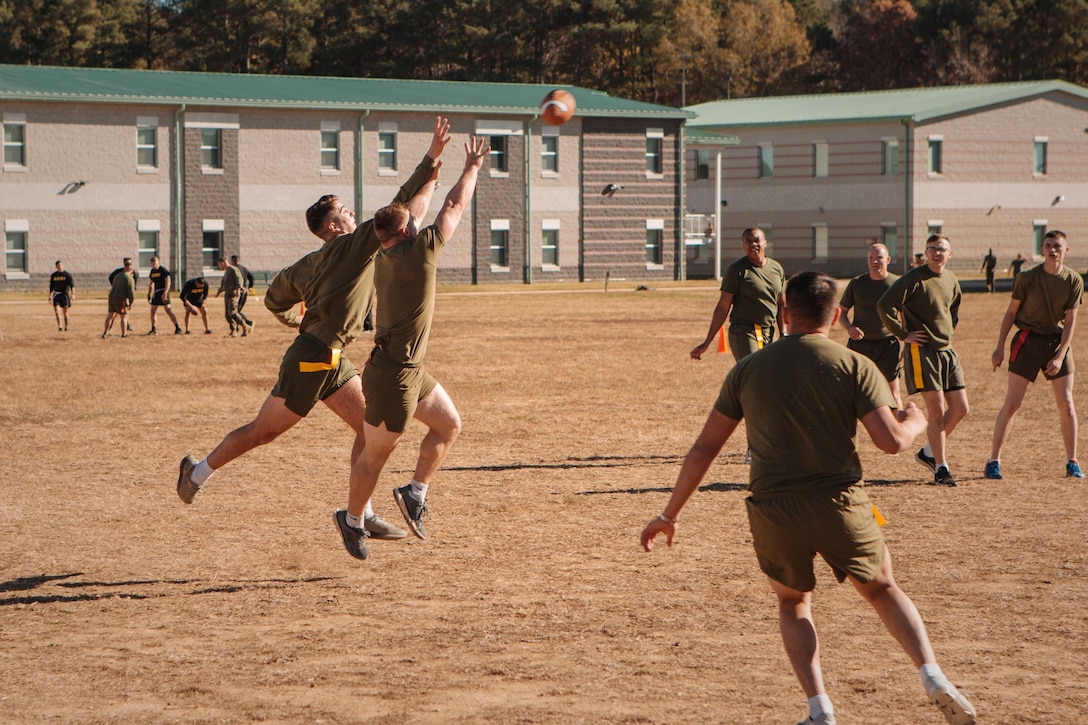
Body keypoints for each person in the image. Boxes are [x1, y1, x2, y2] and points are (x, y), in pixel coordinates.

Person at [641, 272, 977, 725]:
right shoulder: (854, 364)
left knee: (793, 603)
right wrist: (915, 420)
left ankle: (820, 710)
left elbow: (705, 447)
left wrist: (669, 513)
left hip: (774, 509)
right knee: (882, 588)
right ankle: (933, 675)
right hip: (841, 502)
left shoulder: (747, 368)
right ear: (837, 316)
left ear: (783, 311)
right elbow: (892, 442)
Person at [175, 116, 454, 551]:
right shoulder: (353, 245)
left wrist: (300, 321)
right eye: (345, 212)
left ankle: (358, 514)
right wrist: (432, 158)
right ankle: (197, 472)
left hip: (332, 356)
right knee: (263, 432)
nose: (353, 215)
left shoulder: (309, 262)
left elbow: (272, 300)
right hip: (311, 357)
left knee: (367, 432)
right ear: (334, 227)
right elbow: (403, 205)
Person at [336, 134, 489, 560]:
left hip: (406, 368)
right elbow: (452, 209)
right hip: (392, 375)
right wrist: (471, 167)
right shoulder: (421, 252)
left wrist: (432, 169)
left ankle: (414, 492)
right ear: (407, 232)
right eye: (411, 223)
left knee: (449, 425)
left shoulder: (383, 251)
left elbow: (415, 210)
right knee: (375, 454)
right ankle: (350, 520)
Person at [986, 230, 1083, 479]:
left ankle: (1072, 461)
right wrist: (999, 346)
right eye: (1048, 245)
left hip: (1056, 341)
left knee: (1067, 404)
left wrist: (1061, 355)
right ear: (1042, 250)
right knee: (1013, 403)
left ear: (1066, 250)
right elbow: (1010, 313)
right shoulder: (1027, 277)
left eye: (1057, 246)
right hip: (1027, 340)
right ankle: (994, 460)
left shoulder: (1073, 280)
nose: (1052, 250)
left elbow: (1071, 321)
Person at [690, 226, 787, 464]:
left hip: (767, 333)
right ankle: (754, 447)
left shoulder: (776, 268)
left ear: (765, 242)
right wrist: (708, 340)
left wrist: (785, 333)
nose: (752, 245)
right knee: (756, 385)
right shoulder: (737, 271)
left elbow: (781, 304)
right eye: (746, 241)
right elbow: (723, 306)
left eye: (756, 240)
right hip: (743, 332)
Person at [878, 234, 968, 486]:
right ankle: (941, 468)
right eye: (932, 249)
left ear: (950, 253)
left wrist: (947, 333)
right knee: (937, 411)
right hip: (923, 351)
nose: (937, 253)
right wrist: (904, 335)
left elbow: (953, 311)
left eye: (941, 249)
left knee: (961, 408)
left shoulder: (950, 280)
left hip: (947, 351)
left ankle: (928, 453)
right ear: (925, 253)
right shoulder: (913, 278)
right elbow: (885, 305)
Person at [838, 243, 903, 409]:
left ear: (888, 260)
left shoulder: (897, 284)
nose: (875, 261)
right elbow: (841, 312)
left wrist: (907, 342)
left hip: (887, 345)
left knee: (893, 392)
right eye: (871, 258)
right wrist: (849, 328)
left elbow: (906, 316)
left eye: (879, 257)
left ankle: (900, 430)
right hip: (860, 344)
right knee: (851, 391)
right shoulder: (857, 283)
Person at [146, 256, 182, 335]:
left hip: (163, 291)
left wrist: (165, 292)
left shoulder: (163, 270)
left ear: (158, 262)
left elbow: (168, 282)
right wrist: (149, 294)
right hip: (157, 292)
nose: (154, 265)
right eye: (152, 264)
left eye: (155, 263)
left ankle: (177, 327)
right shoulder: (152, 271)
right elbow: (151, 283)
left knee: (168, 310)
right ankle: (153, 328)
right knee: (152, 310)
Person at [215, 257, 250, 336]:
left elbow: (239, 279)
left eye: (220, 264)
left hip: (233, 294)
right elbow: (224, 283)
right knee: (227, 315)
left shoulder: (233, 269)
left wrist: (238, 290)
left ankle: (245, 326)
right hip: (227, 294)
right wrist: (219, 292)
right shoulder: (227, 271)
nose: (220, 266)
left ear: (223, 262)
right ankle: (233, 330)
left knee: (233, 313)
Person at [102, 258, 136, 338]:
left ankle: (105, 333)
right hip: (120, 298)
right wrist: (130, 302)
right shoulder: (129, 278)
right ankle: (124, 334)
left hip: (111, 297)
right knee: (123, 316)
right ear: (130, 269)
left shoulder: (117, 275)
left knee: (110, 315)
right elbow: (131, 292)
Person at [109, 263, 139, 332]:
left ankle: (126, 325)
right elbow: (131, 290)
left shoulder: (120, 275)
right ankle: (123, 332)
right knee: (122, 314)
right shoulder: (120, 274)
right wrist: (130, 302)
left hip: (117, 296)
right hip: (121, 297)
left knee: (116, 313)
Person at [231, 254, 256, 330]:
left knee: (235, 311)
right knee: (236, 310)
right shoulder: (244, 269)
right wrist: (250, 286)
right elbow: (251, 277)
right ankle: (238, 327)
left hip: (237, 292)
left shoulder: (234, 269)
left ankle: (249, 323)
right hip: (244, 293)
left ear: (232, 261)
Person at [48, 260, 74, 331]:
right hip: (56, 295)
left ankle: (66, 326)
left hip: (64, 295)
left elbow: (72, 285)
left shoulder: (67, 275)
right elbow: (51, 287)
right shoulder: (54, 275)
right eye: (59, 266)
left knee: (65, 312)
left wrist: (73, 294)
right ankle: (60, 326)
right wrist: (50, 296)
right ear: (56, 267)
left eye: (61, 265)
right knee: (57, 311)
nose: (60, 267)